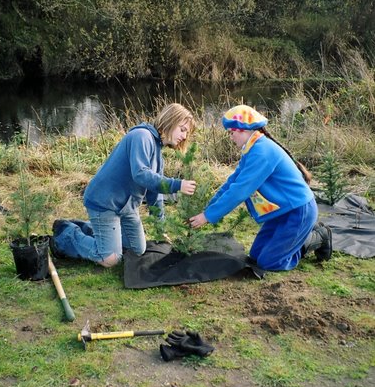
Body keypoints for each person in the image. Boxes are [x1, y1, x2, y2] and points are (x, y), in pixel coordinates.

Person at [189, 104, 332, 272]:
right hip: (281, 212)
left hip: (298, 211)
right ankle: (296, 239)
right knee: (256, 256)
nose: (231, 137)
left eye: (232, 132)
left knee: (269, 263)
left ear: (243, 130)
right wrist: (208, 209)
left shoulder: (262, 152)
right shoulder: (251, 149)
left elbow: (240, 191)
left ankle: (317, 236)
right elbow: (231, 183)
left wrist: (208, 216)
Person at [50, 103, 196, 267]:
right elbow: (141, 174)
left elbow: (155, 193)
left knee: (137, 250)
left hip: (126, 208)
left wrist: (160, 227)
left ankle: (91, 229)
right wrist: (176, 185)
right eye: (182, 129)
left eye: (187, 133)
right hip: (104, 203)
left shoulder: (158, 154)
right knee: (110, 259)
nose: (184, 137)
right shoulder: (142, 136)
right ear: (170, 120)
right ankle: (68, 234)